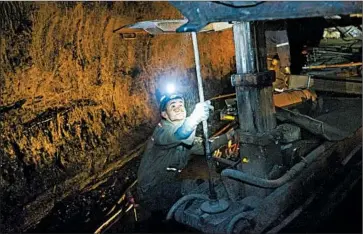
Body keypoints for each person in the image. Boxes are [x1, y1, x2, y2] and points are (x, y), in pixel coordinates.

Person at [136, 93, 235, 216]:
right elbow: (180, 134)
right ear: (164, 114)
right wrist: (195, 118)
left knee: (199, 186)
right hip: (151, 191)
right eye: (173, 106)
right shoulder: (162, 132)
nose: (178, 108)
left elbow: (206, 147)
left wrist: (229, 135)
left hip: (167, 184)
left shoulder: (183, 129)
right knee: (193, 190)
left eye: (180, 104)